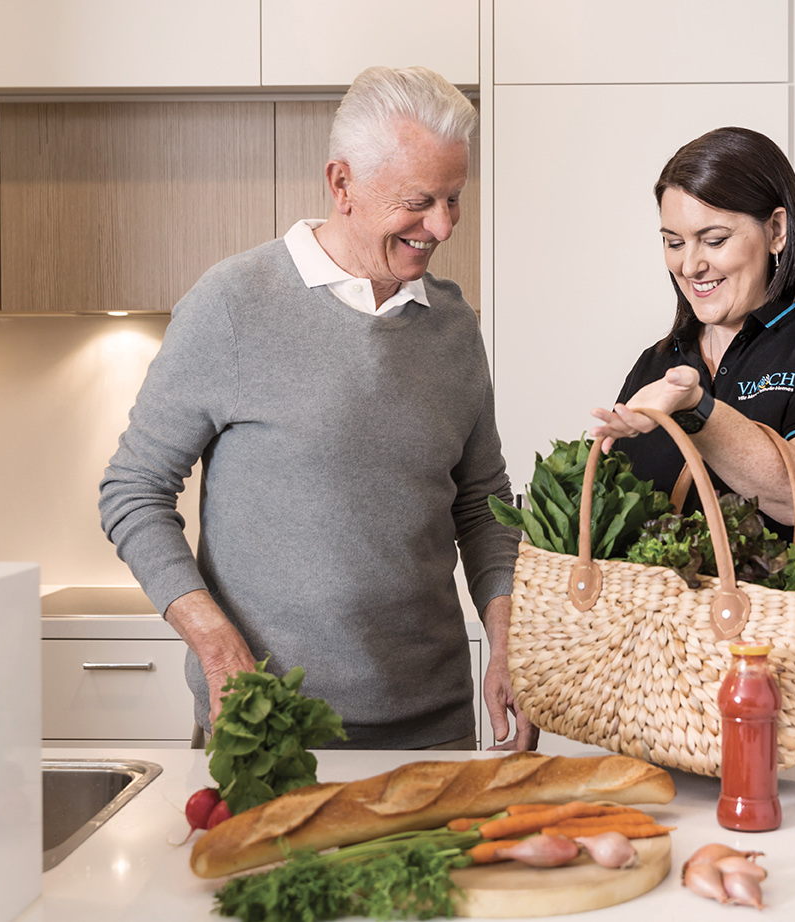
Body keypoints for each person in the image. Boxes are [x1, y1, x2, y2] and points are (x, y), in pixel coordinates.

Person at [98, 65, 536, 752]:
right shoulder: (233, 304)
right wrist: (214, 642)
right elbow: (133, 491)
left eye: (454, 199)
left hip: (433, 726)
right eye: (419, 201)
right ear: (342, 184)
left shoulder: (452, 325)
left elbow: (483, 506)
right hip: (268, 724)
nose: (443, 226)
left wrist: (510, 643)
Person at [589, 126, 795, 751]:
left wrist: (698, 408)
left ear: (777, 230)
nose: (691, 264)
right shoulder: (659, 360)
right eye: (673, 242)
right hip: (685, 692)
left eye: (714, 239)